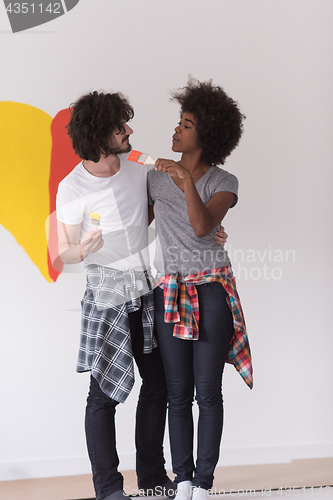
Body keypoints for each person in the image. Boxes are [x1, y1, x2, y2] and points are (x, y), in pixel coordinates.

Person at [55, 91, 176, 500]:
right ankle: (108, 488)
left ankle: (154, 477)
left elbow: (167, 213)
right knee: (103, 395)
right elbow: (63, 251)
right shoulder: (71, 187)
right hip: (107, 296)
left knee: (158, 384)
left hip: (147, 290)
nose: (129, 131)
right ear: (99, 134)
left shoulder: (138, 172)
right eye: (120, 126)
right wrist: (81, 250)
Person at [147, 78, 253, 500]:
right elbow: (135, 228)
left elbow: (202, 226)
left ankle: (205, 484)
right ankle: (183, 481)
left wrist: (184, 179)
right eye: (179, 122)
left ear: (205, 135)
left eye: (186, 124)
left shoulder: (224, 181)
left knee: (208, 392)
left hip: (210, 292)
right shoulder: (153, 179)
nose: (176, 130)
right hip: (169, 290)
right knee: (177, 392)